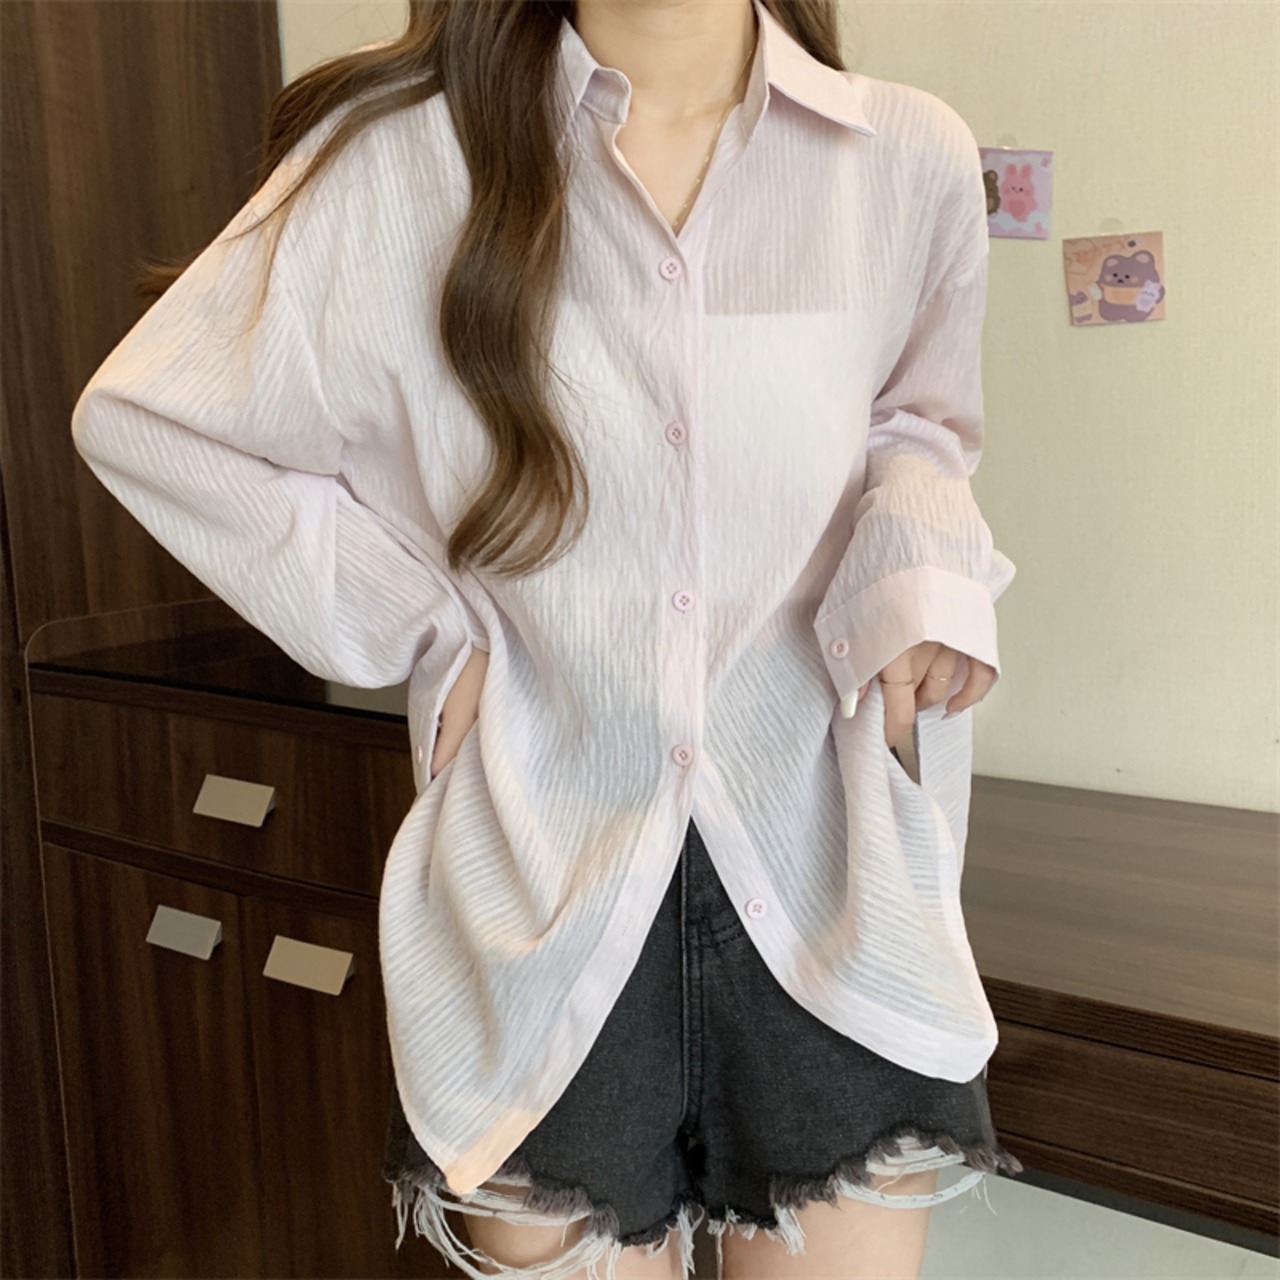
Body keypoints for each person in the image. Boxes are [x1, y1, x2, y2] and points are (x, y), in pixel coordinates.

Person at [71, 0, 1023, 1276]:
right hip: (543, 880)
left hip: (829, 858)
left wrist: (916, 573)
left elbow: (917, 422)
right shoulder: (395, 162)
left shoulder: (900, 156)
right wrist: (423, 622)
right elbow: (155, 420)